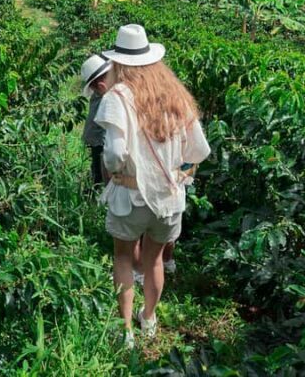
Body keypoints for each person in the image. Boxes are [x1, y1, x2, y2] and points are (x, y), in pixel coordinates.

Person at [95, 24, 210, 347]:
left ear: (119, 62)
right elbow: (198, 151)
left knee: (122, 259)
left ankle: (127, 330)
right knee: (154, 260)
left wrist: (116, 169)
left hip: (129, 196)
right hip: (168, 198)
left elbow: (115, 153)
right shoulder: (174, 94)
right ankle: (149, 318)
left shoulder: (118, 96)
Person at [80, 54, 113, 185]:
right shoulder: (105, 92)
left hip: (99, 136)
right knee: (99, 172)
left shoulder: (105, 90)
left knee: (99, 171)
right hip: (99, 137)